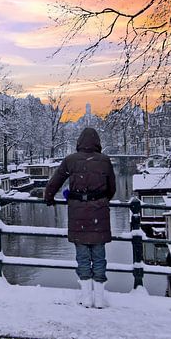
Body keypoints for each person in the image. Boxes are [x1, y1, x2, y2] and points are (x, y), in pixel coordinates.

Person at [44, 127, 116, 308]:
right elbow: (112, 188)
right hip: (99, 213)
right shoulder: (105, 161)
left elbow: (55, 181)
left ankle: (86, 297)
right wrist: (100, 199)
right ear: (97, 143)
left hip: (77, 214)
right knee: (99, 256)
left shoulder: (70, 161)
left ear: (79, 142)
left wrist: (49, 197)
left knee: (82, 255)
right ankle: (99, 298)